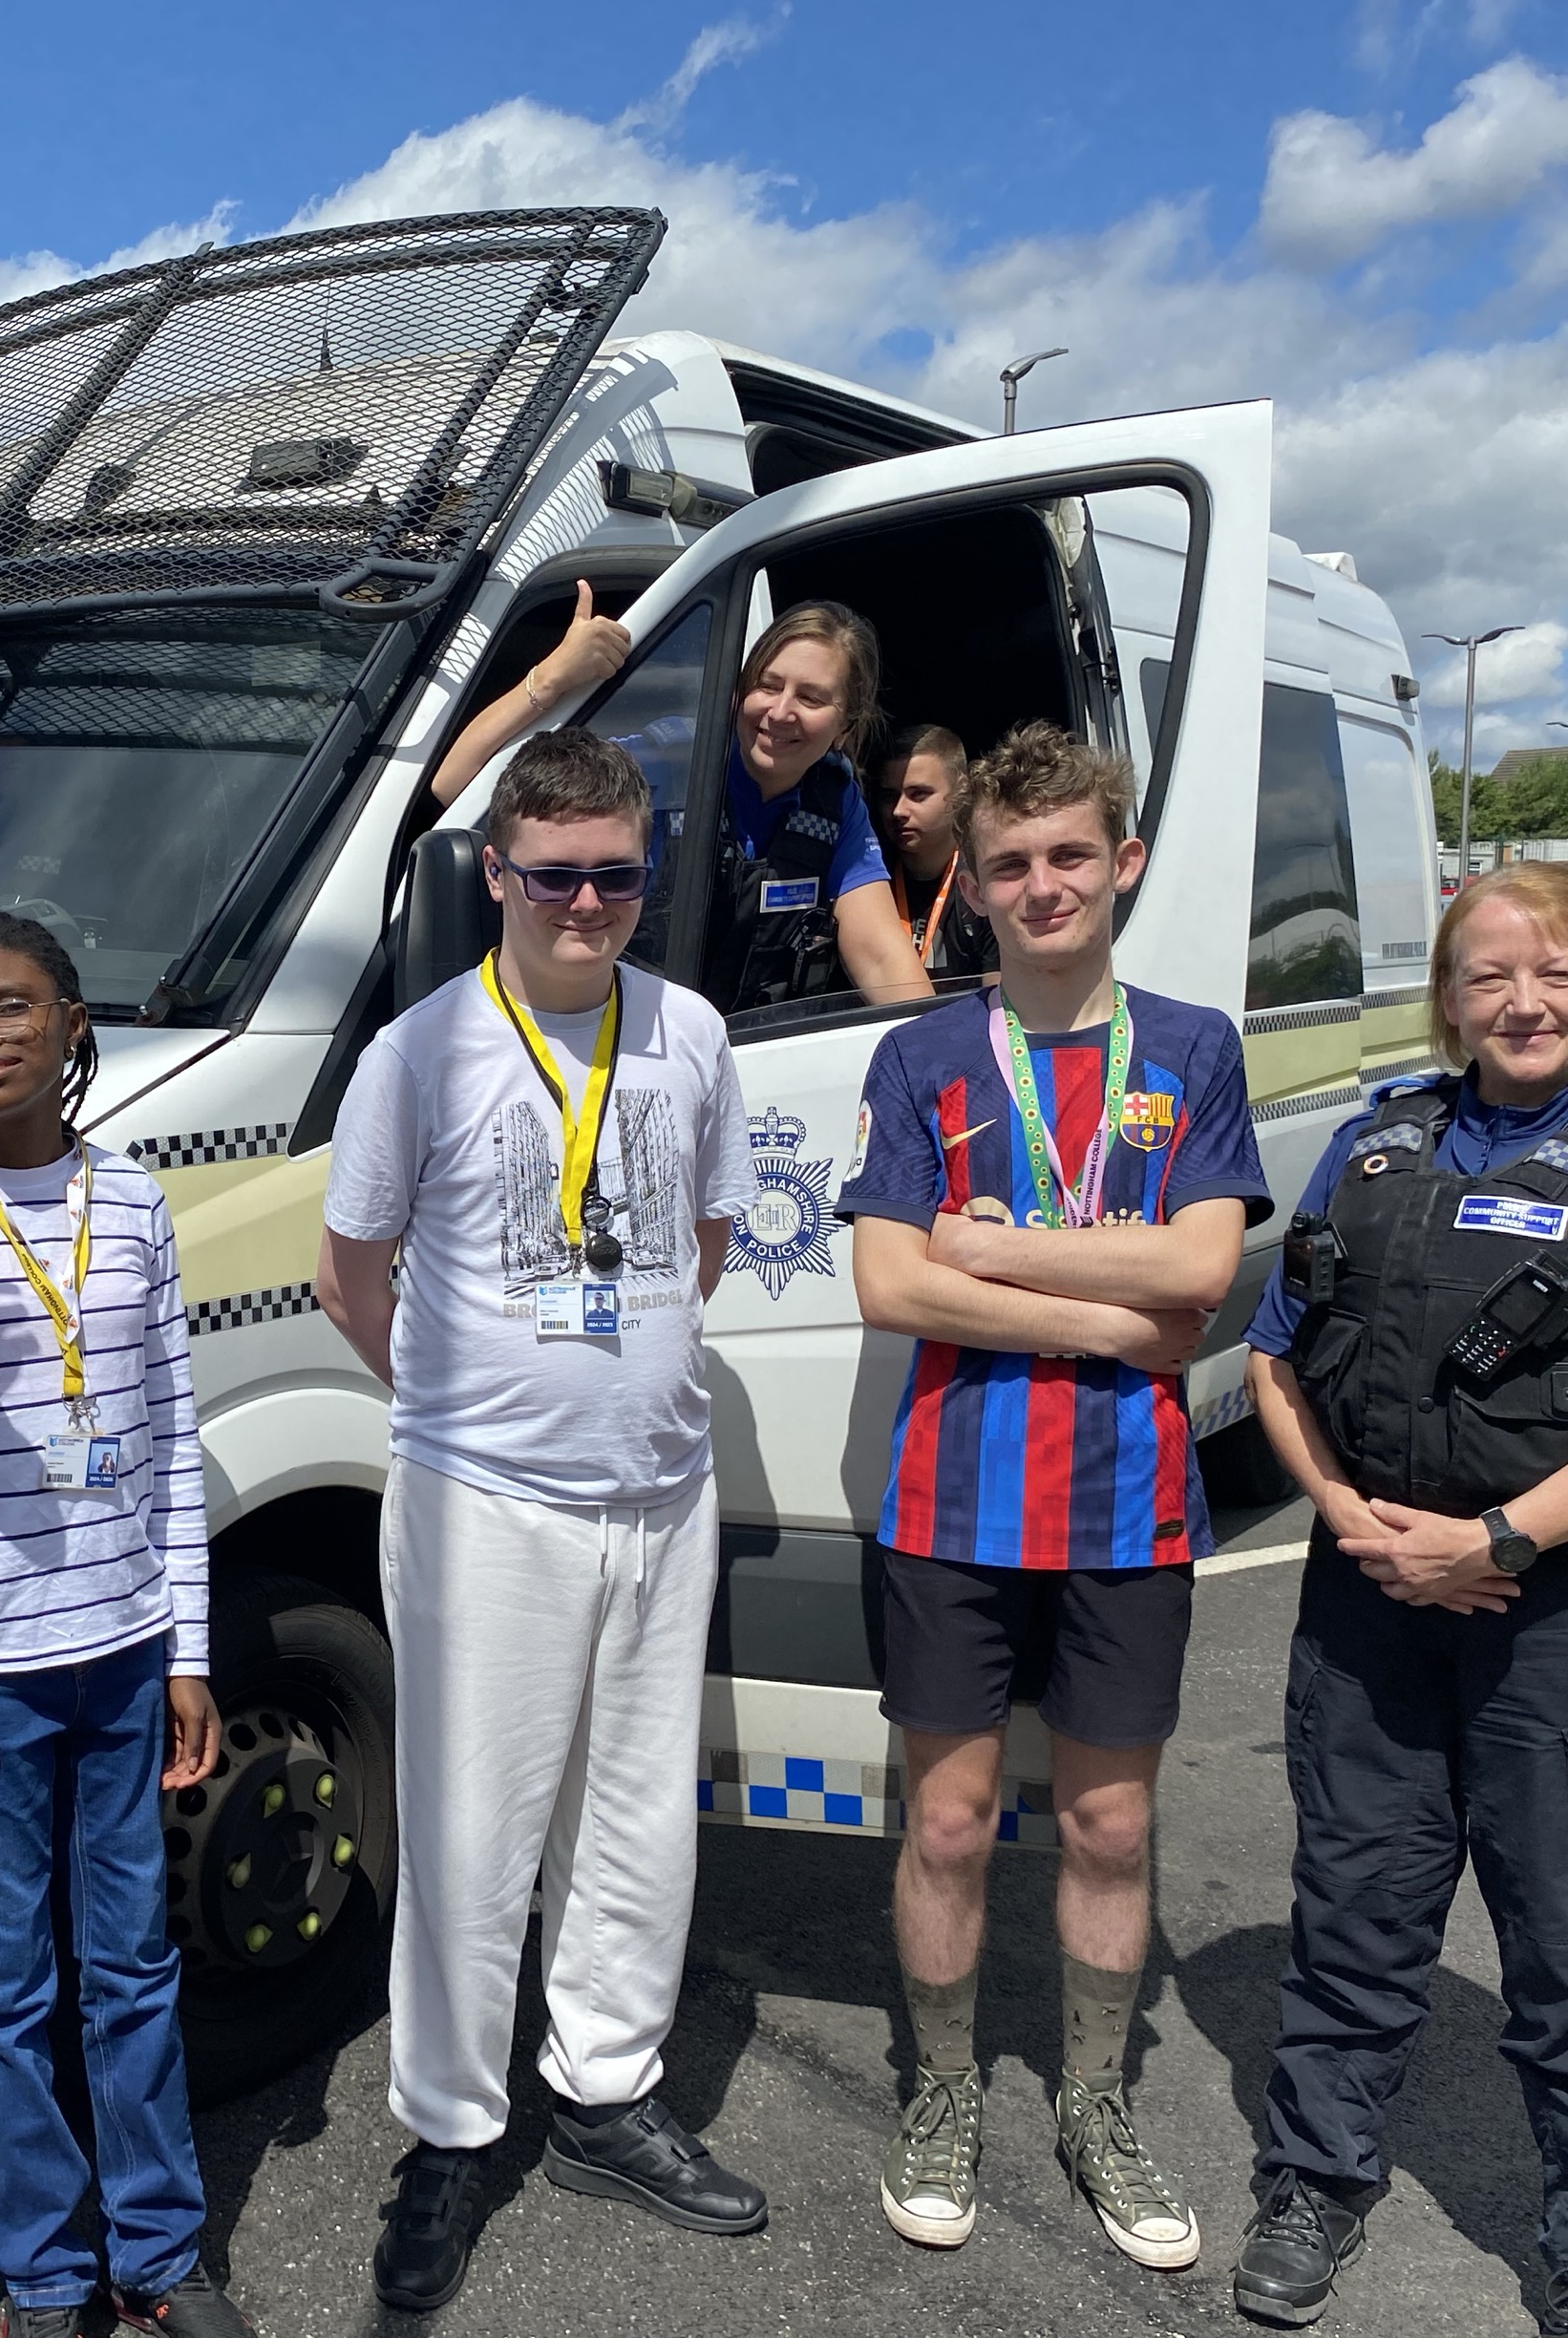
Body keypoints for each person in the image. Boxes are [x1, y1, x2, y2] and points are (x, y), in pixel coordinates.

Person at [1227, 862, 1568, 2338]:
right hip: (1371, 1606)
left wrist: (1500, 1543)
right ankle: (1314, 2179)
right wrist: (1338, 1510)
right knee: (1352, 1914)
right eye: (1488, 975)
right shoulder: (1376, 1143)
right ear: (1449, 998)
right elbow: (1276, 1356)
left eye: (1557, 975)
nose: (1522, 1002)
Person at [320, 727, 767, 2316]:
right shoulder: (418, 1048)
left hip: (658, 1487)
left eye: (616, 872)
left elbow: (703, 1236)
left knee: (636, 1812)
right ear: (496, 872)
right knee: (470, 1828)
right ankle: (447, 2128)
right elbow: (350, 1274)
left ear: (646, 873)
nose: (586, 899)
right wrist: (475, 1398)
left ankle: (603, 2088)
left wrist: (612, 1374)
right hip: (481, 1497)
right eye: (555, 872)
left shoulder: (691, 1033)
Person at [839, 721, 1266, 2276]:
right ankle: (939, 2089)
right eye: (1008, 861)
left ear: (1119, 861)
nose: (1038, 884)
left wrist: (996, 1251)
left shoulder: (1189, 1046)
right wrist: (1104, 1317)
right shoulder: (921, 1056)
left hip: (1122, 1513)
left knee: (1103, 1819)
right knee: (944, 1819)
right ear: (975, 885)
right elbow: (887, 1279)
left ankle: (1093, 2101)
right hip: (948, 1508)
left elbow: (1203, 1270)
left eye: (1066, 855)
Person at [0, 909, 250, 2338]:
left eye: (11, 1007)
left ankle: (158, 2254)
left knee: (135, 1966)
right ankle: (42, 2271)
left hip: (126, 1654)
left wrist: (188, 1649)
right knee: (6, 1988)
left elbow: (164, 1430)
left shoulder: (133, 1201)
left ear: (76, 1022)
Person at [425, 591, 931, 1012]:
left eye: (811, 698)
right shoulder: (673, 760)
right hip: (632, 1040)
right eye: (768, 686)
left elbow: (884, 956)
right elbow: (455, 782)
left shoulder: (834, 797)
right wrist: (555, 676)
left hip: (754, 1055)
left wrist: (944, 1068)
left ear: (846, 725)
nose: (780, 712)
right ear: (738, 691)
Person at [868, 724, 995, 981]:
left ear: (961, 791)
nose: (898, 811)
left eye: (918, 794)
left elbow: (1000, 1008)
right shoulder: (864, 880)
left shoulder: (988, 884)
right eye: (888, 796)